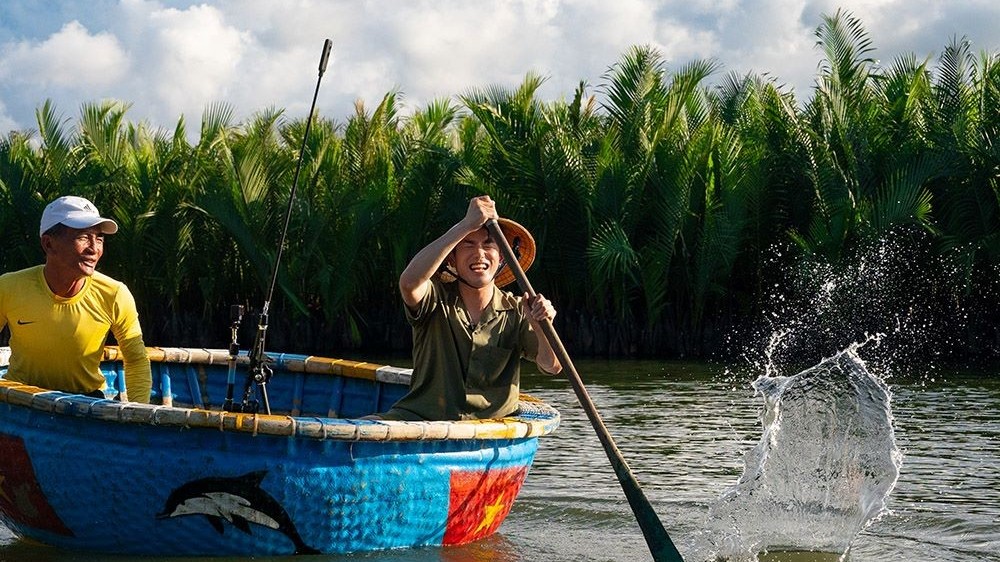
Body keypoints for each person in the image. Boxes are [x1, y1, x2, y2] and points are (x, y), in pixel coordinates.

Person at [379, 195, 562, 421]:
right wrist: (465, 226)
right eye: (468, 244)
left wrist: (542, 326)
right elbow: (409, 283)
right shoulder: (435, 298)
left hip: (491, 429)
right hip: (421, 419)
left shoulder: (518, 309)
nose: (479, 254)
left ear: (502, 257)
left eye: (488, 244)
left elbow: (552, 365)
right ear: (452, 258)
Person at [0, 195, 151, 403]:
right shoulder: (8, 287)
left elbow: (136, 360)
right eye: (83, 237)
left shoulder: (115, 294)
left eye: (99, 238)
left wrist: (138, 416)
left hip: (86, 405)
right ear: (48, 244)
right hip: (20, 403)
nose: (94, 248)